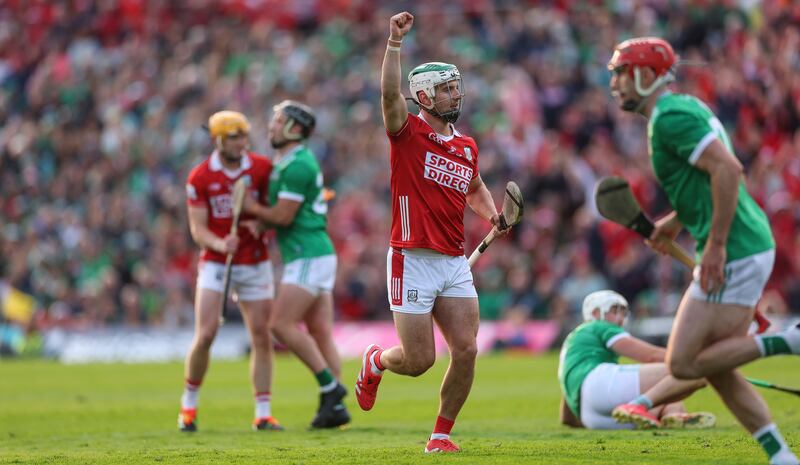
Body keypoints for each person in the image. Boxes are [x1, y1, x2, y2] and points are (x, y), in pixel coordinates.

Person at [607, 37, 799, 465]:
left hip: (735, 248)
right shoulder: (681, 109)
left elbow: (729, 170)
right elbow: (706, 178)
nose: (615, 82)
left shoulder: (671, 116)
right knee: (715, 364)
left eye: (621, 72)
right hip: (744, 244)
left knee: (684, 362)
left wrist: (714, 245)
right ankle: (780, 456)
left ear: (644, 75)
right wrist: (675, 223)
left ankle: (789, 339)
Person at [354, 11, 511, 453]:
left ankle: (441, 434)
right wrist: (394, 44)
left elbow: (474, 187)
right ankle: (376, 361)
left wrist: (492, 215)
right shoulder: (407, 132)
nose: (454, 93)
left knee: (466, 349)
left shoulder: (466, 146)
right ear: (424, 94)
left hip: (454, 262)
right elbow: (387, 94)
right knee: (419, 360)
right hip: (411, 258)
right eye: (445, 88)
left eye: (455, 86)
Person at [243, 100, 350, 429]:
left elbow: (283, 215)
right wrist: (265, 222)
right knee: (319, 332)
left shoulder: (297, 165)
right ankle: (335, 410)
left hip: (308, 254)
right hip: (313, 252)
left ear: (295, 129)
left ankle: (331, 388)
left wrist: (252, 209)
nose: (271, 126)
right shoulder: (289, 162)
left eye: (278, 121)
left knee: (280, 326)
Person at [179, 111, 281, 432]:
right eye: (234, 137)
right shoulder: (200, 177)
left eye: (243, 136)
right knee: (206, 333)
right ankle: (189, 406)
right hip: (216, 262)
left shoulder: (263, 168)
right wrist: (222, 244)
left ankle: (263, 412)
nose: (242, 143)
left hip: (255, 261)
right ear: (218, 140)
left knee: (261, 336)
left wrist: (260, 222)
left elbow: (276, 212)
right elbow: (198, 230)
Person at [558, 290, 715, 430]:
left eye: (623, 313)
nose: (620, 318)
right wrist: (693, 358)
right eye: (614, 311)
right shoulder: (599, 326)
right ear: (595, 313)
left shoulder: (574, 342)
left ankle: (672, 414)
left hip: (590, 416)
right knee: (695, 371)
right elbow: (651, 356)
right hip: (600, 386)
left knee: (665, 390)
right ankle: (637, 406)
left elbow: (567, 416)